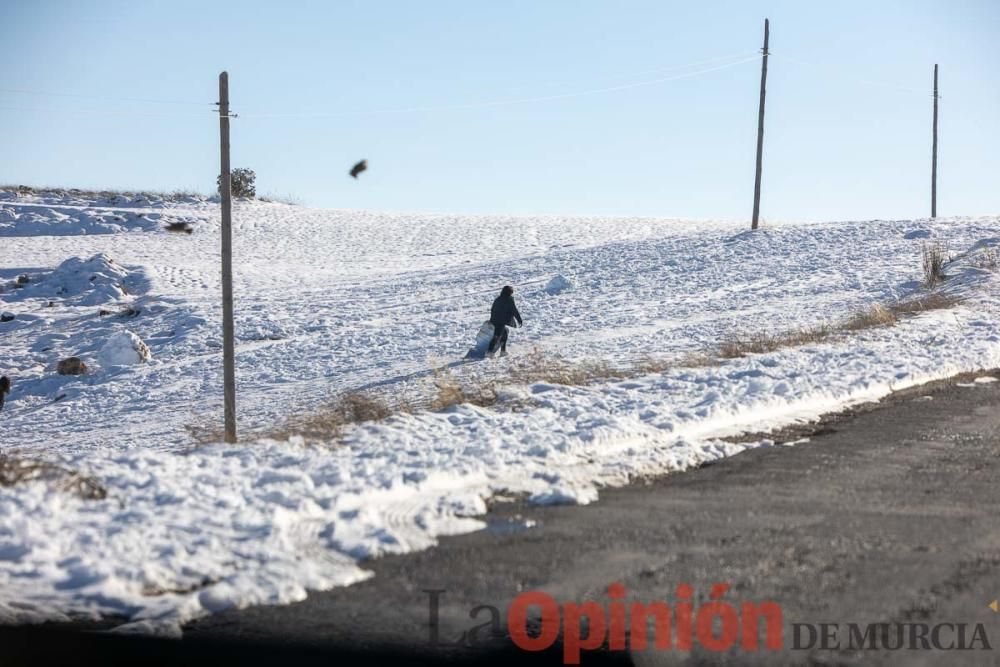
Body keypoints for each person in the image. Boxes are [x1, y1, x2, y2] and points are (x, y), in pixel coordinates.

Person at [488, 285, 522, 356]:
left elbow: (492, 309)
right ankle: (489, 351)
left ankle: (503, 351)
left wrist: (492, 319)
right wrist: (519, 320)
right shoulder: (509, 299)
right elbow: (514, 310)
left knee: (504, 333)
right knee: (497, 335)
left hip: (494, 320)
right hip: (501, 321)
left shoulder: (498, 299)